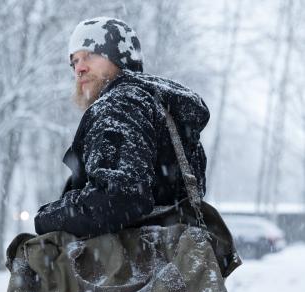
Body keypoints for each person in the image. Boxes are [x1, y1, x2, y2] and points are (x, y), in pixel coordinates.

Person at [34, 17, 210, 237]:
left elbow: (121, 198)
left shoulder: (121, 104)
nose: (79, 68)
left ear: (120, 58)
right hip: (171, 260)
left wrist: (47, 218)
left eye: (89, 55)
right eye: (74, 62)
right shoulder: (162, 109)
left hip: (129, 264)